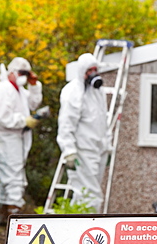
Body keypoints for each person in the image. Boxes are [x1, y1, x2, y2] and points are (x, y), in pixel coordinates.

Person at [0, 57, 43, 224]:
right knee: (14, 177)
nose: (24, 76)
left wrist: (34, 85)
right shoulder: (2, 89)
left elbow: (34, 103)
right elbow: (3, 117)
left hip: (16, 137)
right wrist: (23, 121)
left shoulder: (18, 90)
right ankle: (15, 217)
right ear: (11, 73)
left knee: (9, 176)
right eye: (22, 73)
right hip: (6, 137)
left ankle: (4, 215)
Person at [57, 53, 112, 213]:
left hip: (99, 149)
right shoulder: (72, 92)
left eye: (95, 69)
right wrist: (69, 151)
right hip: (82, 151)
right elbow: (66, 124)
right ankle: (89, 228)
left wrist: (107, 146)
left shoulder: (98, 92)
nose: (93, 74)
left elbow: (102, 120)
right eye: (89, 70)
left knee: (84, 193)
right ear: (82, 71)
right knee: (91, 195)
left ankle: (72, 225)